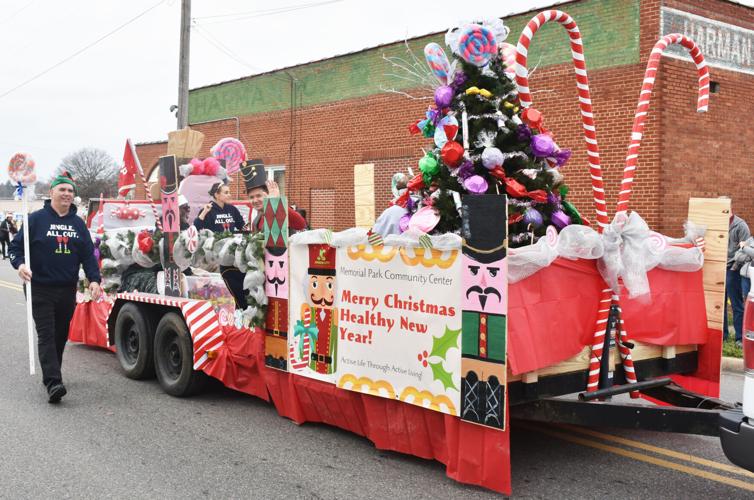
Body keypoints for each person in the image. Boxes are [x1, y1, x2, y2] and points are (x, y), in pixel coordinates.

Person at [10, 172, 101, 403]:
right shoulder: (36, 219)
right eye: (62, 190)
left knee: (60, 335)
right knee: (47, 334)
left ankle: (53, 373)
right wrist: (20, 265)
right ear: (51, 193)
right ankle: (53, 382)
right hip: (39, 287)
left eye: (70, 191)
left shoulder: (78, 224)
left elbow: (88, 256)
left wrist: (94, 280)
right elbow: (15, 248)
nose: (67, 194)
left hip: (66, 289)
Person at [194, 182, 247, 309]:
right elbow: (196, 228)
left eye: (229, 192)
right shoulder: (208, 209)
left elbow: (242, 226)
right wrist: (203, 213)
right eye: (226, 192)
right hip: (214, 254)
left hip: (232, 252)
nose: (229, 195)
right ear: (217, 195)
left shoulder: (232, 209)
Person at [240, 160, 307, 232]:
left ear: (268, 194)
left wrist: (277, 202)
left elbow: (301, 224)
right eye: (251, 197)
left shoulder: (280, 210)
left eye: (259, 196)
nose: (255, 200)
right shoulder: (256, 220)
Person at [723, 204, 750, 344]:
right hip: (719, 267)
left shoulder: (741, 226)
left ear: (729, 208)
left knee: (736, 303)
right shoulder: (717, 223)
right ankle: (723, 336)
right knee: (720, 304)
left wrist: (734, 267)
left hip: (733, 269)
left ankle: (740, 338)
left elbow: (744, 251)